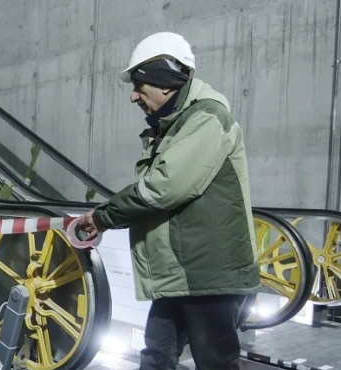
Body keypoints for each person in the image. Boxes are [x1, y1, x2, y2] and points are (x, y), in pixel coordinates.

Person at [76, 32, 260, 370]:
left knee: (214, 362)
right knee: (157, 355)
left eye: (138, 86)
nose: (133, 97)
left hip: (207, 278)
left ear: (164, 83)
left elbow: (163, 188)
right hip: (181, 275)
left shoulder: (206, 118)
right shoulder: (172, 126)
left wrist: (104, 216)